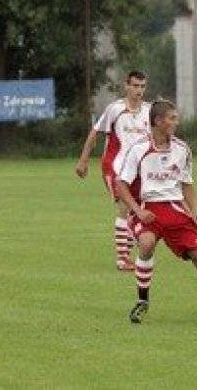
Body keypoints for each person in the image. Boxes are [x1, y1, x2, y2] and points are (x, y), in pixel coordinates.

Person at [116, 99, 197, 323]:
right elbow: (121, 184)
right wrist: (137, 212)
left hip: (176, 209)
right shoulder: (139, 148)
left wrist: (195, 209)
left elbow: (186, 183)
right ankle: (142, 301)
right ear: (158, 121)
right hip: (148, 209)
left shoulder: (182, 149)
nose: (176, 122)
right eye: (172, 118)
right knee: (147, 243)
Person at [75, 71, 151, 271]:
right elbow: (95, 134)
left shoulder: (148, 112)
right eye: (135, 86)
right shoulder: (115, 109)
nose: (139, 91)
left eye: (142, 86)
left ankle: (130, 245)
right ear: (126, 86)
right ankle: (123, 258)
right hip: (114, 166)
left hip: (138, 170)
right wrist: (83, 160)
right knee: (126, 207)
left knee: (141, 210)